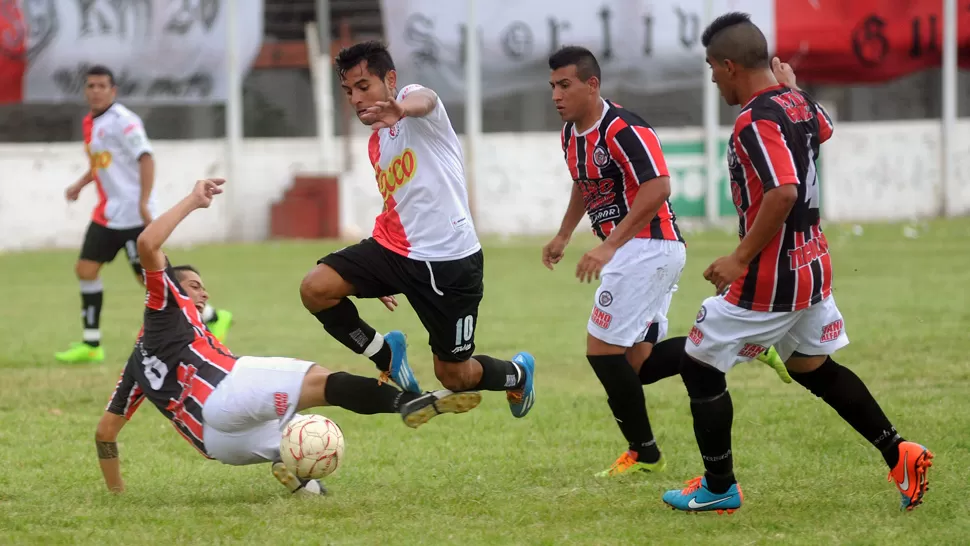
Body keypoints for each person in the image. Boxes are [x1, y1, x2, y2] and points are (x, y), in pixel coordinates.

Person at [661, 12, 933, 513]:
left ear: (729, 65)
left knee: (697, 364)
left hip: (772, 277)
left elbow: (783, 192)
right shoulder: (796, 102)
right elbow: (823, 129)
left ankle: (720, 487)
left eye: (712, 68)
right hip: (812, 263)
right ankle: (901, 452)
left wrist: (739, 258)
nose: (713, 78)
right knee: (812, 367)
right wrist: (794, 89)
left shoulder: (754, 119)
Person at [94, 178, 466, 496]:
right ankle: (411, 402)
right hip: (225, 392)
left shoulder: (137, 361)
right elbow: (147, 245)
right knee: (322, 380)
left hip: (215, 445)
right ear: (173, 287)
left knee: (296, 440)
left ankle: (303, 484)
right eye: (194, 285)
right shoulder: (164, 303)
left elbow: (105, 433)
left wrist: (117, 495)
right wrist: (194, 200)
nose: (203, 293)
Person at [542, 46, 791, 478]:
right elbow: (584, 184)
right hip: (639, 250)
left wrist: (608, 246)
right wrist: (565, 233)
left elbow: (657, 187)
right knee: (635, 365)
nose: (556, 96)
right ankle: (743, 345)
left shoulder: (623, 128)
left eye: (565, 85)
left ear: (592, 84)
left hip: (646, 246)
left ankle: (644, 451)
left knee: (601, 352)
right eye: (552, 87)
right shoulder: (570, 135)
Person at [298, 41, 536, 428]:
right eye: (348, 91)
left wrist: (401, 109)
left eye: (364, 86)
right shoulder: (377, 141)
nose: (356, 99)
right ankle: (386, 355)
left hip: (451, 264)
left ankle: (518, 375)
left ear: (390, 80)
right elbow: (399, 202)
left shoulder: (413, 106)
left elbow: (426, 98)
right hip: (395, 252)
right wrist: (376, 268)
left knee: (454, 376)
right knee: (316, 288)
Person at [56, 65, 233, 364]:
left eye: (102, 86)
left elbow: (146, 158)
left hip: (134, 216)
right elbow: (103, 163)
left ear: (113, 91)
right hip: (108, 214)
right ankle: (91, 344)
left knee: (153, 279)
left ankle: (212, 316)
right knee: (85, 270)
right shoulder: (91, 122)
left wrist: (143, 202)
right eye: (91, 86)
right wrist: (80, 184)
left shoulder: (124, 121)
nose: (95, 91)